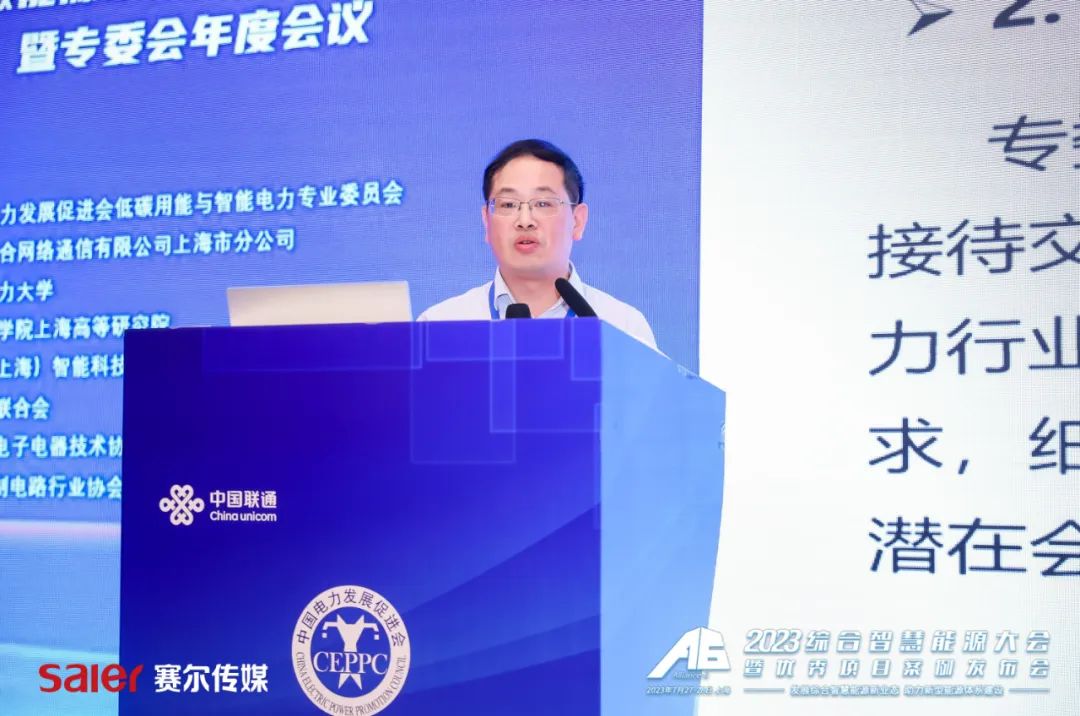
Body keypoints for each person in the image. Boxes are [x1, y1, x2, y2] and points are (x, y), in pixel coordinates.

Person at [417, 139, 657, 349]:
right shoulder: (439, 327)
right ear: (486, 221)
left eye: (543, 203)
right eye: (508, 204)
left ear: (577, 221)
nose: (525, 221)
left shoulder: (623, 327)